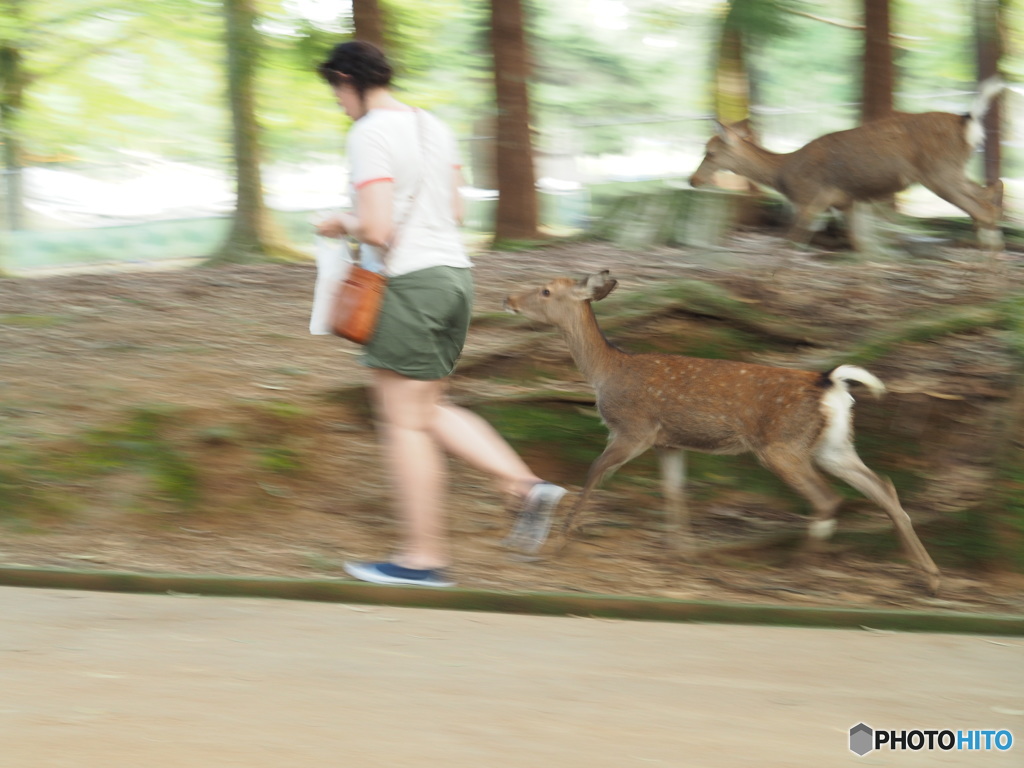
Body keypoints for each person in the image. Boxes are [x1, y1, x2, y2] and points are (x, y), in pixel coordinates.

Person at [313, 41, 565, 588]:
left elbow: (378, 228)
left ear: (345, 78)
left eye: (334, 90)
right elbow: (454, 209)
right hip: (453, 278)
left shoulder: (368, 133)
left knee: (403, 421)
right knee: (428, 407)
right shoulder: (433, 126)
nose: (337, 102)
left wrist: (340, 222)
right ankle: (524, 487)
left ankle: (422, 558)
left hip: (408, 284)